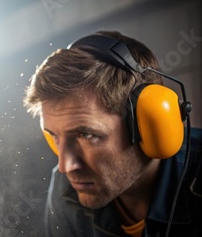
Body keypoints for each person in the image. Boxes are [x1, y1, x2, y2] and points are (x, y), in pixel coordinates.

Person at [23, 30, 202, 236]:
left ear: (150, 124)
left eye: (86, 135)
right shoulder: (67, 187)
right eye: (54, 135)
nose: (65, 166)